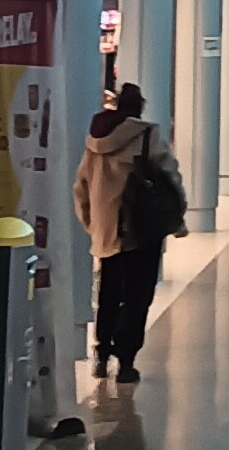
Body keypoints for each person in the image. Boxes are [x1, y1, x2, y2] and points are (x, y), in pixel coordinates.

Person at [73, 80, 186, 383]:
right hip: (142, 228)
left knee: (108, 292)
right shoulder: (147, 135)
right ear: (140, 108)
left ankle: (101, 353)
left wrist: (92, 223)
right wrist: (178, 216)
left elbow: (81, 185)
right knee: (137, 295)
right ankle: (126, 362)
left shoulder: (95, 139)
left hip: (108, 229)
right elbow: (170, 177)